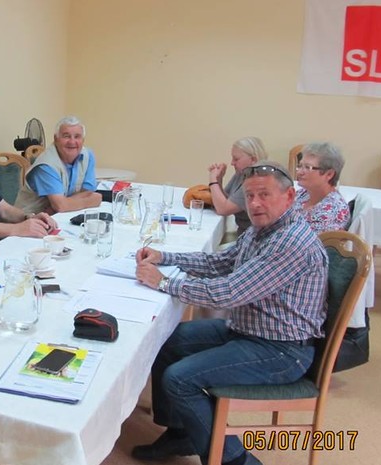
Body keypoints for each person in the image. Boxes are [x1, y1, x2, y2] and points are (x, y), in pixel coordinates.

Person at [132, 161, 327, 465]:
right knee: (166, 339)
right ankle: (182, 433)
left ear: (289, 196)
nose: (255, 203)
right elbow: (218, 263)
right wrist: (164, 257)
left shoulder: (290, 242)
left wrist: (164, 282)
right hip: (250, 330)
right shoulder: (263, 230)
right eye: (249, 196)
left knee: (179, 380)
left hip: (282, 351)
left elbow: (229, 292)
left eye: (264, 194)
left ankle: (235, 460)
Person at [15, 116, 102, 214]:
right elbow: (61, 206)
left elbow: (88, 192)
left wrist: (64, 204)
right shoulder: (46, 165)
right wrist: (90, 201)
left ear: (83, 140)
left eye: (77, 136)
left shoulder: (88, 156)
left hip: (59, 215)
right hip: (29, 218)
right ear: (56, 139)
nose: (72, 142)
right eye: (66, 136)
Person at [207, 137, 268, 236]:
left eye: (236, 159)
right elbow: (225, 201)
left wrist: (213, 180)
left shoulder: (255, 181)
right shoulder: (241, 174)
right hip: (242, 234)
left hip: (254, 237)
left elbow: (223, 209)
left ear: (253, 160)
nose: (232, 163)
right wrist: (219, 180)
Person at [295, 142, 350, 232]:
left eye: (308, 167)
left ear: (329, 174)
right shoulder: (304, 193)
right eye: (300, 166)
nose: (299, 172)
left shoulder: (331, 212)